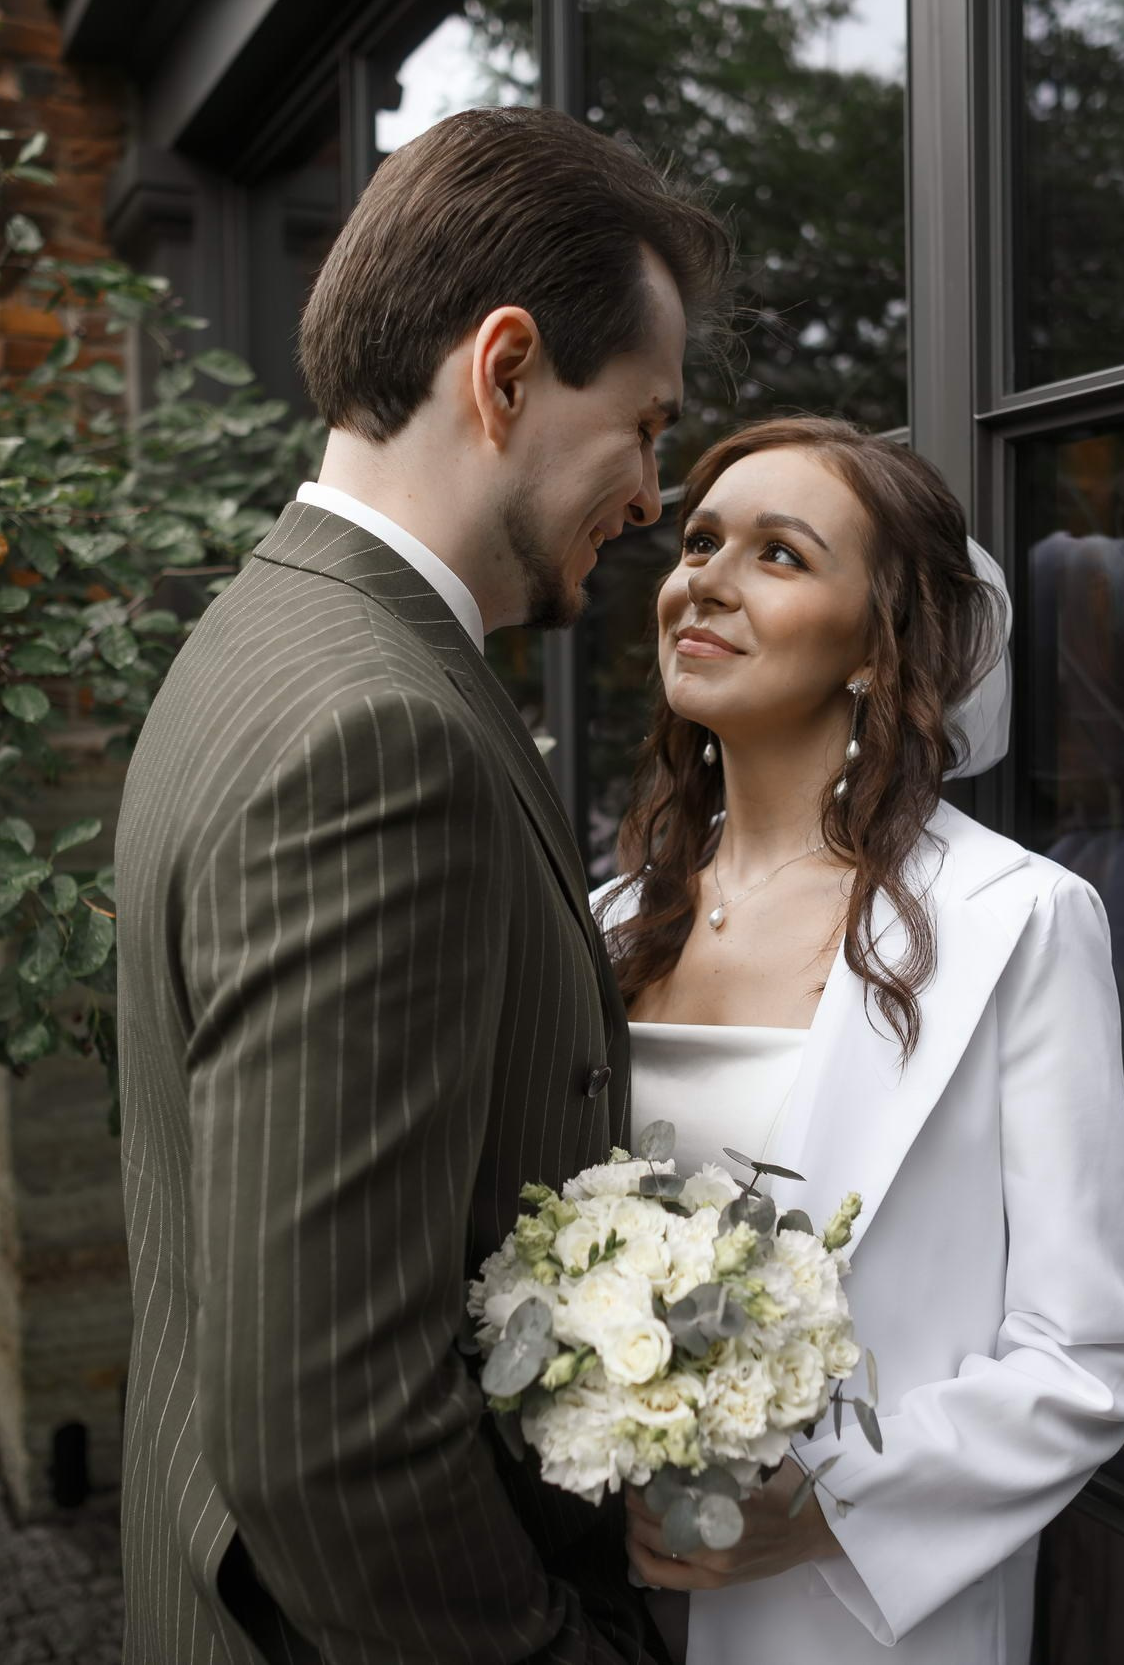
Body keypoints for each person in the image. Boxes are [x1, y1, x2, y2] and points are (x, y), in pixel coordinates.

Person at [114, 107, 731, 1665]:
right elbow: (333, 1429)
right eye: (647, 425)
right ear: (507, 370)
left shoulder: (262, 635)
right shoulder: (373, 727)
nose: (655, 499)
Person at [593, 418, 1124, 1665]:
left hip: (844, 1620)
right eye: (698, 540)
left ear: (874, 645)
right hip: (591, 1595)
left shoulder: (1013, 922)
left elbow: (1093, 1350)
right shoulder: (606, 922)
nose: (703, 576)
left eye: (780, 554)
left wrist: (821, 1509)